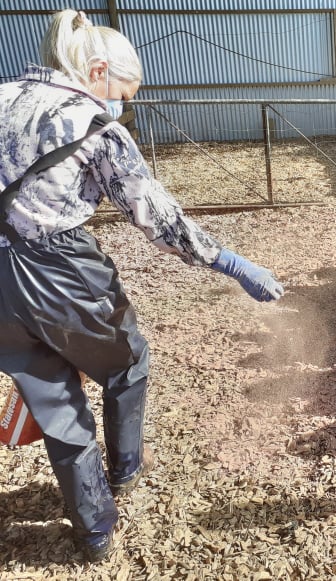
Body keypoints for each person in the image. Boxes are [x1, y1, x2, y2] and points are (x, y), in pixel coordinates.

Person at [0, 9, 284, 562]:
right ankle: (126, 469)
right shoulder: (91, 122)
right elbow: (156, 216)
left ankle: (95, 530)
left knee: (56, 402)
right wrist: (228, 261)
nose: (122, 106)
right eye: (123, 94)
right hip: (60, 273)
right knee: (126, 363)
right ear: (98, 69)